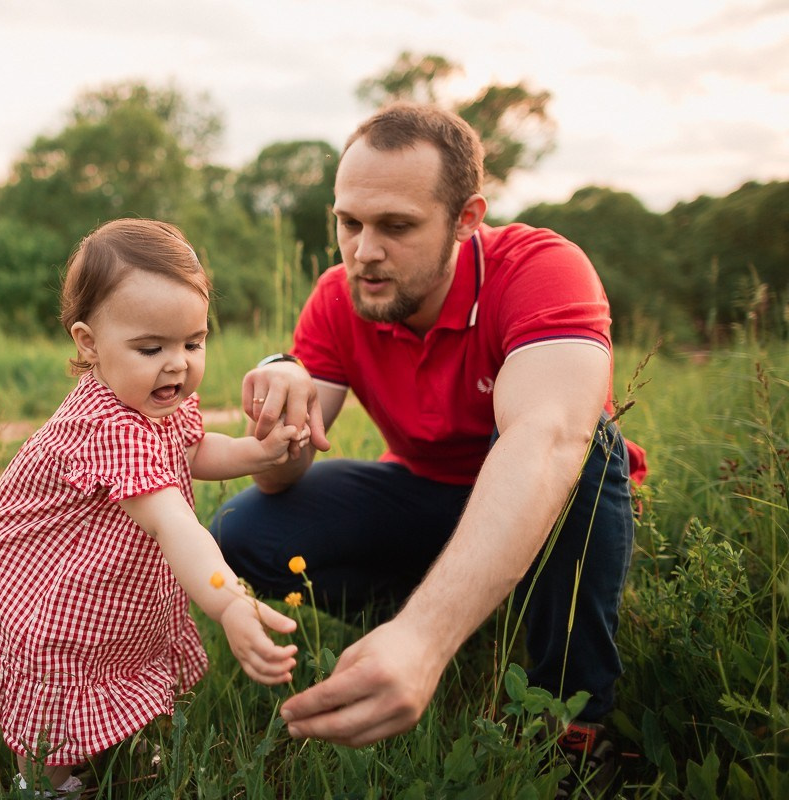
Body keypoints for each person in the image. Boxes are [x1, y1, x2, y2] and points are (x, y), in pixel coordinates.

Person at [212, 103, 646, 760]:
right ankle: (454, 608)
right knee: (245, 529)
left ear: (466, 220)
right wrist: (282, 396)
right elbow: (278, 475)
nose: (365, 251)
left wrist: (426, 639)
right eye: (348, 223)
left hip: (548, 497)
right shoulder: (338, 296)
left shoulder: (540, 267)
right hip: (428, 496)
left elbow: (550, 438)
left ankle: (570, 717)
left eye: (397, 226)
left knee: (589, 444)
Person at [0, 218, 302, 797]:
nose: (177, 364)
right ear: (88, 343)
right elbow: (176, 522)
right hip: (42, 578)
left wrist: (258, 450)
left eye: (193, 343)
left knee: (115, 648)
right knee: (62, 666)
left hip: (102, 572)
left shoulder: (152, 397)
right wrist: (230, 605)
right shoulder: (108, 423)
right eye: (151, 347)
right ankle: (45, 774)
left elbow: (194, 447)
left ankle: (104, 737)